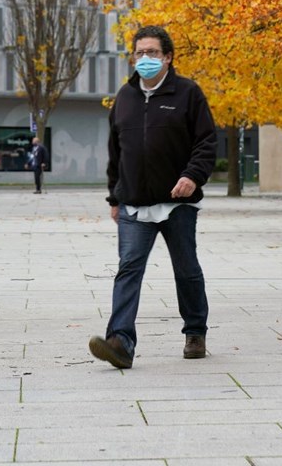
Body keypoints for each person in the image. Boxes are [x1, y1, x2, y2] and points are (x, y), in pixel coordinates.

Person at [89, 25, 218, 370]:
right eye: (140, 53)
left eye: (153, 53)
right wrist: (114, 198)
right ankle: (120, 341)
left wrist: (192, 176)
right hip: (133, 203)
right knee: (128, 269)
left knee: (186, 269)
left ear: (168, 57)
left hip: (178, 203)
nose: (145, 59)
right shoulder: (124, 98)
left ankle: (195, 331)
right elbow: (116, 153)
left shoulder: (188, 93)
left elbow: (206, 142)